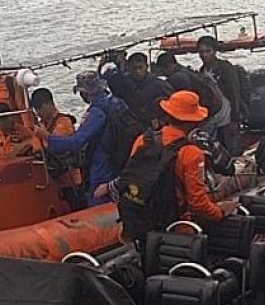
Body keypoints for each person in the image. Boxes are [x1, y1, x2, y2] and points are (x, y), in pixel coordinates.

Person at [98, 90, 234, 223]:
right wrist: (219, 212)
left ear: (168, 115)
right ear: (194, 121)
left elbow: (131, 173)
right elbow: (197, 203)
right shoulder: (192, 153)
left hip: (140, 216)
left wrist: (111, 187)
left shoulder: (144, 140)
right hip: (173, 221)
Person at [34, 71, 135, 206]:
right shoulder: (117, 102)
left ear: (84, 94)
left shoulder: (97, 112)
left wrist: (47, 137)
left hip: (103, 162)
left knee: (98, 201)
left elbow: (76, 142)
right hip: (123, 159)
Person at [154, 50, 232, 154]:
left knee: (198, 150)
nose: (162, 73)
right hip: (209, 115)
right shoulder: (187, 72)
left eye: (162, 69)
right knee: (207, 150)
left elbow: (182, 102)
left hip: (200, 121)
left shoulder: (177, 78)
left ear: (169, 66)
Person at [30, 87, 85, 206]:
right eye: (36, 109)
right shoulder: (42, 125)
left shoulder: (63, 122)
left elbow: (57, 144)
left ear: (49, 104)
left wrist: (42, 134)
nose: (38, 112)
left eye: (40, 108)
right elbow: (36, 147)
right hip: (53, 180)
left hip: (71, 179)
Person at [196, 35, 243, 154]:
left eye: (208, 51)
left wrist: (235, 119)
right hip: (213, 118)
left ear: (214, 51)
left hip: (227, 117)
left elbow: (234, 93)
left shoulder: (225, 68)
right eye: (201, 52)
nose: (204, 55)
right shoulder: (202, 71)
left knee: (232, 151)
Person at [120, 52, 172, 126]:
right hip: (137, 124)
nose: (137, 71)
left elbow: (173, 103)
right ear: (129, 69)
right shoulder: (126, 84)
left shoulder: (159, 85)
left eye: (140, 67)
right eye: (134, 68)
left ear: (146, 67)